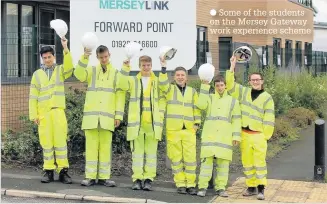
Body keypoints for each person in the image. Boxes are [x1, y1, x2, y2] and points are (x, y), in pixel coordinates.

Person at [74, 45, 128, 187]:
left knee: (105, 148)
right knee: (91, 148)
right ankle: (90, 176)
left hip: (107, 118)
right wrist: (84, 57)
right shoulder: (91, 70)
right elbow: (79, 74)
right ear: (97, 57)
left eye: (106, 56)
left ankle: (104, 177)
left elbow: (121, 92)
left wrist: (119, 116)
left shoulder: (116, 73)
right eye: (101, 57)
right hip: (91, 118)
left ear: (109, 55)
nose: (104, 59)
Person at [226, 56, 275, 200]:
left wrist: (265, 136)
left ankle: (261, 189)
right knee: (247, 163)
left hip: (259, 135)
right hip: (245, 134)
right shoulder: (243, 92)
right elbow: (230, 85)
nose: (255, 82)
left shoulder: (267, 98)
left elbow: (269, 118)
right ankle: (251, 187)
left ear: (262, 81)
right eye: (253, 80)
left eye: (257, 80)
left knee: (259, 163)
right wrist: (232, 65)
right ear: (249, 82)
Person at [29, 37, 74, 184]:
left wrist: (65, 48)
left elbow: (69, 67)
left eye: (50, 57)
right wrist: (33, 115)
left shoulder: (60, 70)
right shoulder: (37, 75)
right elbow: (33, 96)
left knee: (61, 143)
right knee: (47, 144)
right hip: (43, 115)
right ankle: (48, 172)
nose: (47, 60)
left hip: (58, 112)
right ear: (42, 59)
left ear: (54, 57)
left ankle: (63, 172)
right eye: (45, 58)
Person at [119, 55, 166, 191]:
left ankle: (148, 179)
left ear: (151, 66)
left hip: (152, 124)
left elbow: (165, 91)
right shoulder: (133, 81)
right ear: (139, 66)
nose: (146, 68)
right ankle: (137, 179)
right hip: (137, 125)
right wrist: (125, 67)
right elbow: (121, 84)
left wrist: (161, 115)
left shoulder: (157, 81)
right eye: (143, 65)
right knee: (137, 154)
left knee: (151, 154)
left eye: (148, 65)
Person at [158, 58, 201, 195]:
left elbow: (196, 108)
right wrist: (164, 68)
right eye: (178, 75)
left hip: (189, 130)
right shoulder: (169, 89)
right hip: (173, 130)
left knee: (190, 159)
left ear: (186, 77)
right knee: (176, 159)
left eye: (182, 75)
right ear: (174, 77)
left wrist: (197, 124)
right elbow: (162, 84)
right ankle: (180, 184)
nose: (180, 77)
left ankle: (191, 184)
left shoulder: (193, 91)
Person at [196, 75, 242, 197]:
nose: (220, 87)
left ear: (225, 85)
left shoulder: (233, 101)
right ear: (214, 86)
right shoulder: (209, 98)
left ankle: (221, 188)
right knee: (206, 165)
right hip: (209, 138)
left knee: (223, 165)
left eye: (222, 85)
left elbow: (237, 120)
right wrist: (204, 86)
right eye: (217, 85)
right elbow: (200, 105)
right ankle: (202, 187)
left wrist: (236, 136)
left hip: (224, 137)